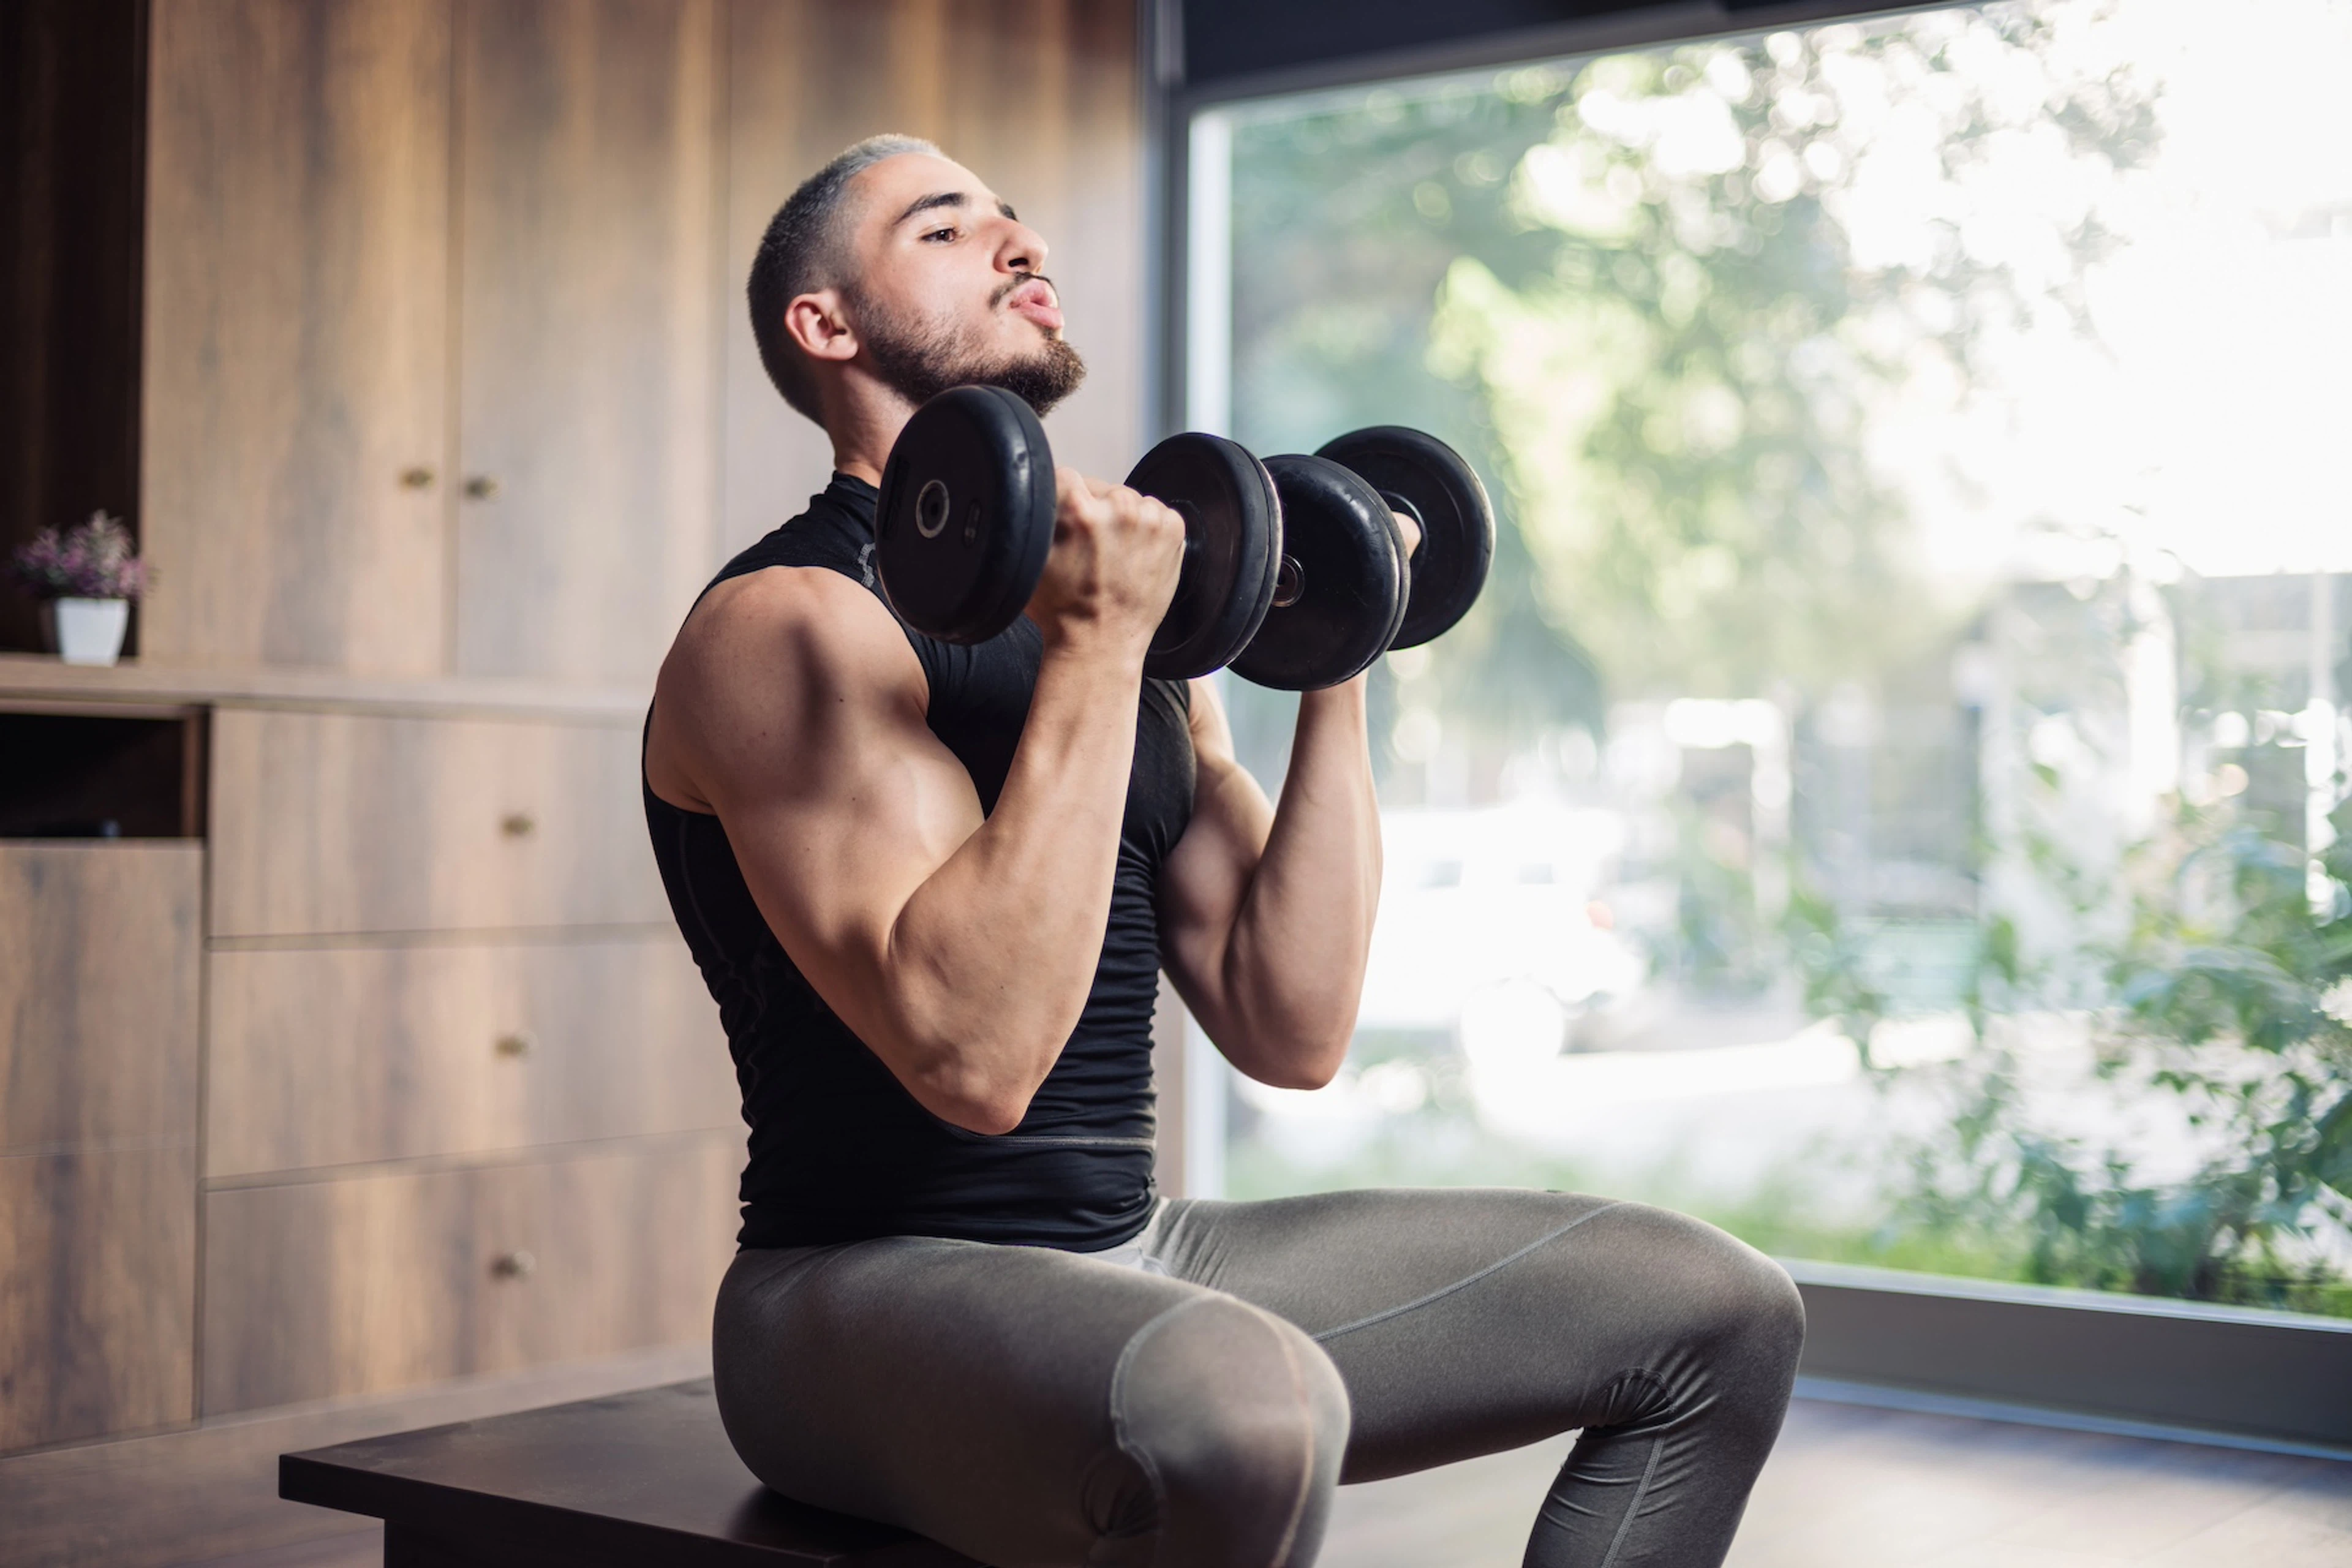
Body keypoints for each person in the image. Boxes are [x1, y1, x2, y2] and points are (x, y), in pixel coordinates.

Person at [644, 133, 1804, 1568]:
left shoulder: (1126, 634)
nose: (1020, 245)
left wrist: (1344, 635)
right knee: (1251, 1410)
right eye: (947, 230)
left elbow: (1290, 1018)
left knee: (1718, 1307)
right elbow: (974, 1055)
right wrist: (1102, 642)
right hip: (847, 1299)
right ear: (823, 326)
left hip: (1141, 1262)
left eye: (1019, 220)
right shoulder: (789, 624)